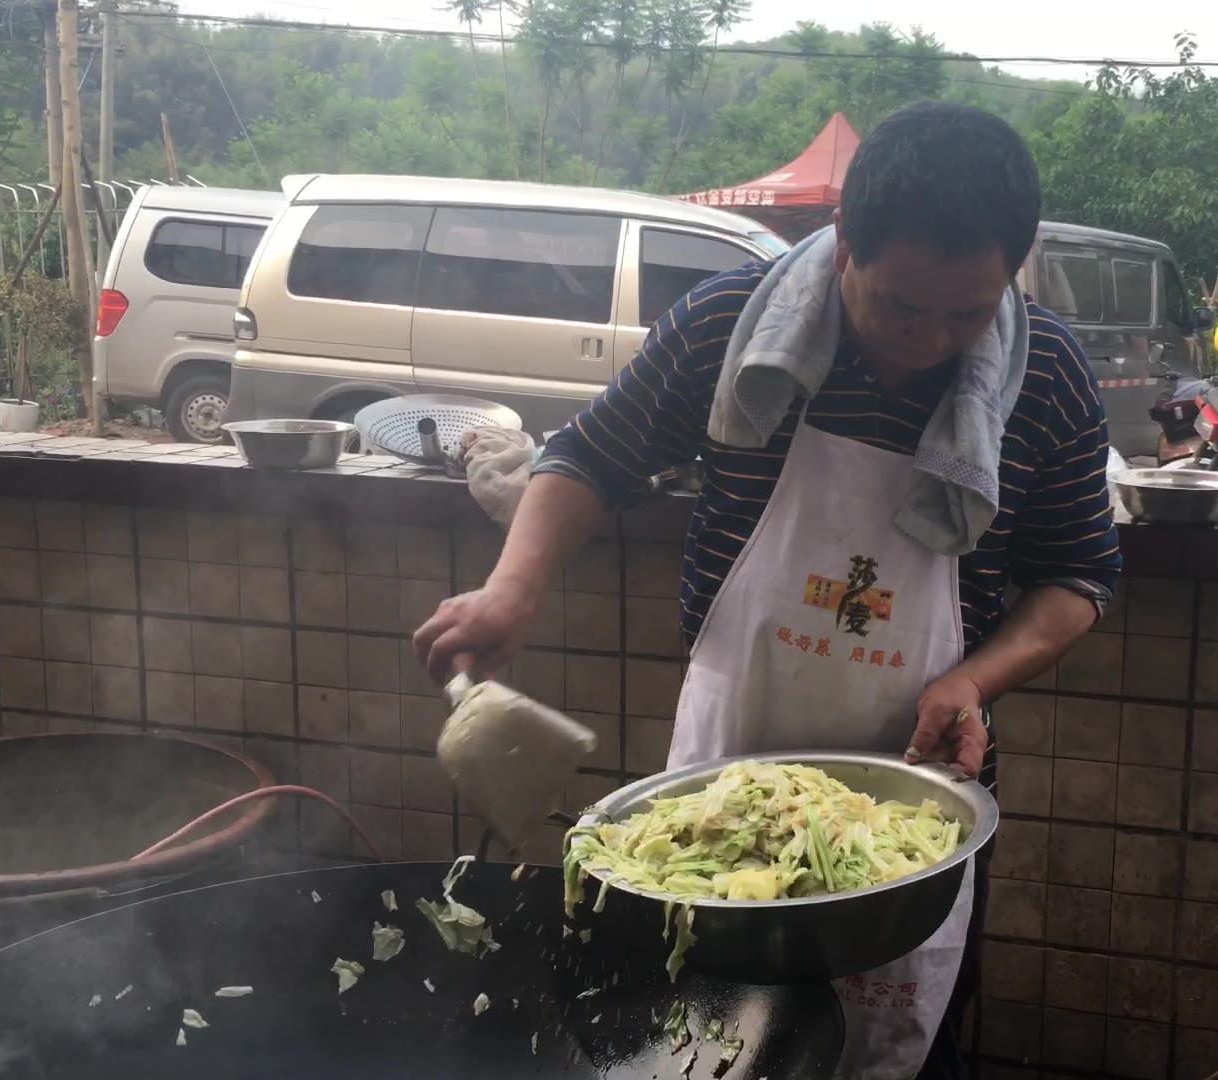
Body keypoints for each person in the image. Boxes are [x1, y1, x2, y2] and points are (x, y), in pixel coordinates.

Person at [414, 100, 1121, 1080]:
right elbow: (590, 455)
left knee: (901, 1056)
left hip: (911, 816)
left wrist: (974, 683)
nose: (930, 337)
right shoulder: (728, 329)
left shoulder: (1045, 376)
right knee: (714, 1048)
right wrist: (513, 589)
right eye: (900, 303)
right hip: (719, 790)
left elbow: (1077, 578)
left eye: (967, 313)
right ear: (842, 243)